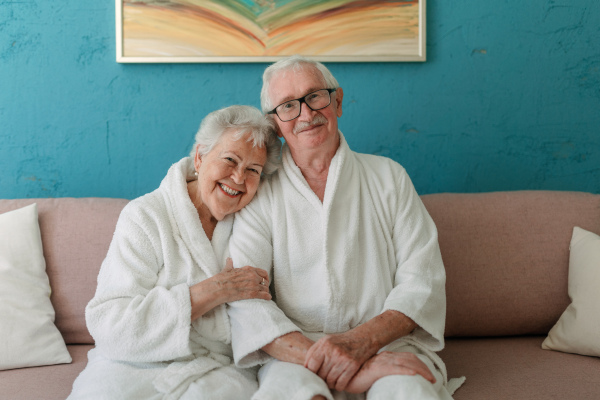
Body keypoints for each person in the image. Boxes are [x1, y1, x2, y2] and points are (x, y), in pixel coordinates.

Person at [226, 56, 463, 400]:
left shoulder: (389, 177)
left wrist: (359, 344)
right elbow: (248, 300)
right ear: (275, 124)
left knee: (409, 392)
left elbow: (421, 280)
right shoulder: (261, 193)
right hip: (294, 352)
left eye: (315, 97)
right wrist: (321, 357)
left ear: (336, 101)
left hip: (386, 344)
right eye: (288, 106)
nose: (306, 114)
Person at [67, 105, 282, 400]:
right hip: (131, 365)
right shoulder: (146, 216)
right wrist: (213, 291)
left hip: (216, 370)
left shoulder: (253, 224)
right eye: (230, 159)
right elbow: (110, 324)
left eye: (253, 170)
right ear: (200, 157)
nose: (238, 178)